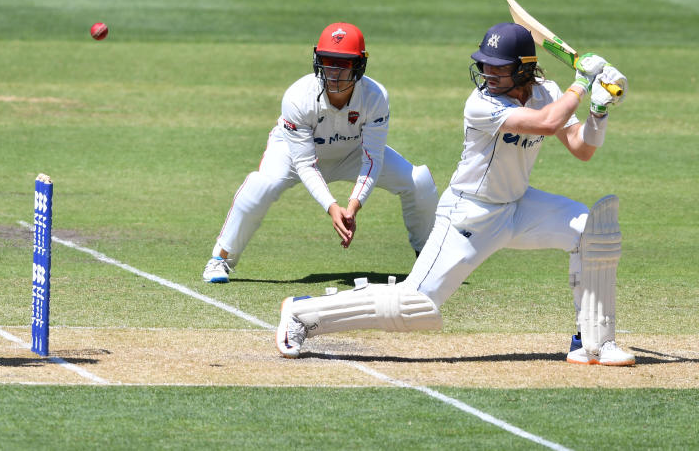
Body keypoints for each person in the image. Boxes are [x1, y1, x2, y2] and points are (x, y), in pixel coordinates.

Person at [276, 22, 635, 366]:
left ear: (525, 70)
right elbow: (547, 123)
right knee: (414, 304)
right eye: (484, 66)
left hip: (518, 207)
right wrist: (582, 83)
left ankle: (593, 343)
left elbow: (581, 148)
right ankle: (303, 313)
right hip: (469, 215)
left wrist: (598, 111)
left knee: (591, 231)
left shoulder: (547, 93)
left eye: (498, 69)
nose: (488, 75)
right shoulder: (481, 104)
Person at [202, 22, 438, 283]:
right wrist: (332, 207)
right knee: (262, 185)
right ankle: (220, 259)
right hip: (294, 152)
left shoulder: (375, 96)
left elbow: (373, 158)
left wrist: (352, 206)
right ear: (317, 60)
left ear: (359, 66)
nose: (334, 72)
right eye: (327, 61)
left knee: (418, 181)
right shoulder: (297, 96)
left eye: (343, 63)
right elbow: (305, 164)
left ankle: (429, 261)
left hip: (352, 151)